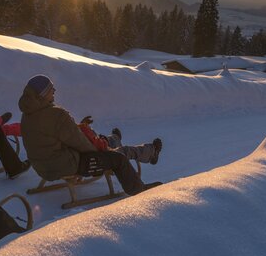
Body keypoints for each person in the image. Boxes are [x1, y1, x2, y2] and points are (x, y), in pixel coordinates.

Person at [18, 75, 162, 196]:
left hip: (43, 167)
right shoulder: (56, 115)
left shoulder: (27, 116)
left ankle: (115, 139)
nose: (54, 91)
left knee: (101, 141)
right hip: (65, 165)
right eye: (51, 89)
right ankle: (140, 190)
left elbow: (57, 137)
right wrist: (103, 153)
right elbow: (80, 142)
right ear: (43, 94)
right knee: (118, 157)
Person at [78, 117, 163, 165]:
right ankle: (152, 153)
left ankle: (115, 138)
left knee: (108, 140)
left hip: (89, 152)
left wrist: (83, 127)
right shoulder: (69, 131)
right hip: (96, 157)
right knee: (126, 151)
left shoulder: (68, 131)